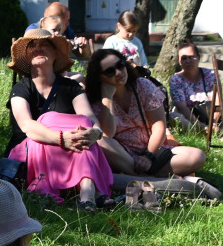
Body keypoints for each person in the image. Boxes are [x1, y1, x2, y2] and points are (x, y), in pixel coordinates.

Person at [5, 29, 116, 210]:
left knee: (84, 128)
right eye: (32, 45)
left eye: (45, 44)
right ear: (27, 55)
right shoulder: (21, 88)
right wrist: (62, 138)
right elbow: (26, 126)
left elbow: (90, 119)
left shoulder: (71, 87)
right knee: (47, 119)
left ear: (56, 53)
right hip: (29, 148)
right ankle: (93, 192)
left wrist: (93, 133)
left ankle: (87, 192)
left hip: (70, 146)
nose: (38, 48)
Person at [86, 48, 206, 178]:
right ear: (99, 77)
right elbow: (108, 134)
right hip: (121, 155)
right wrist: (107, 97)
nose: (118, 72)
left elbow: (159, 126)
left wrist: (148, 156)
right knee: (100, 141)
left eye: (120, 65)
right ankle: (152, 177)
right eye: (109, 71)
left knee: (197, 156)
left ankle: (141, 177)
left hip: (153, 150)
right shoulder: (97, 101)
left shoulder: (143, 85)